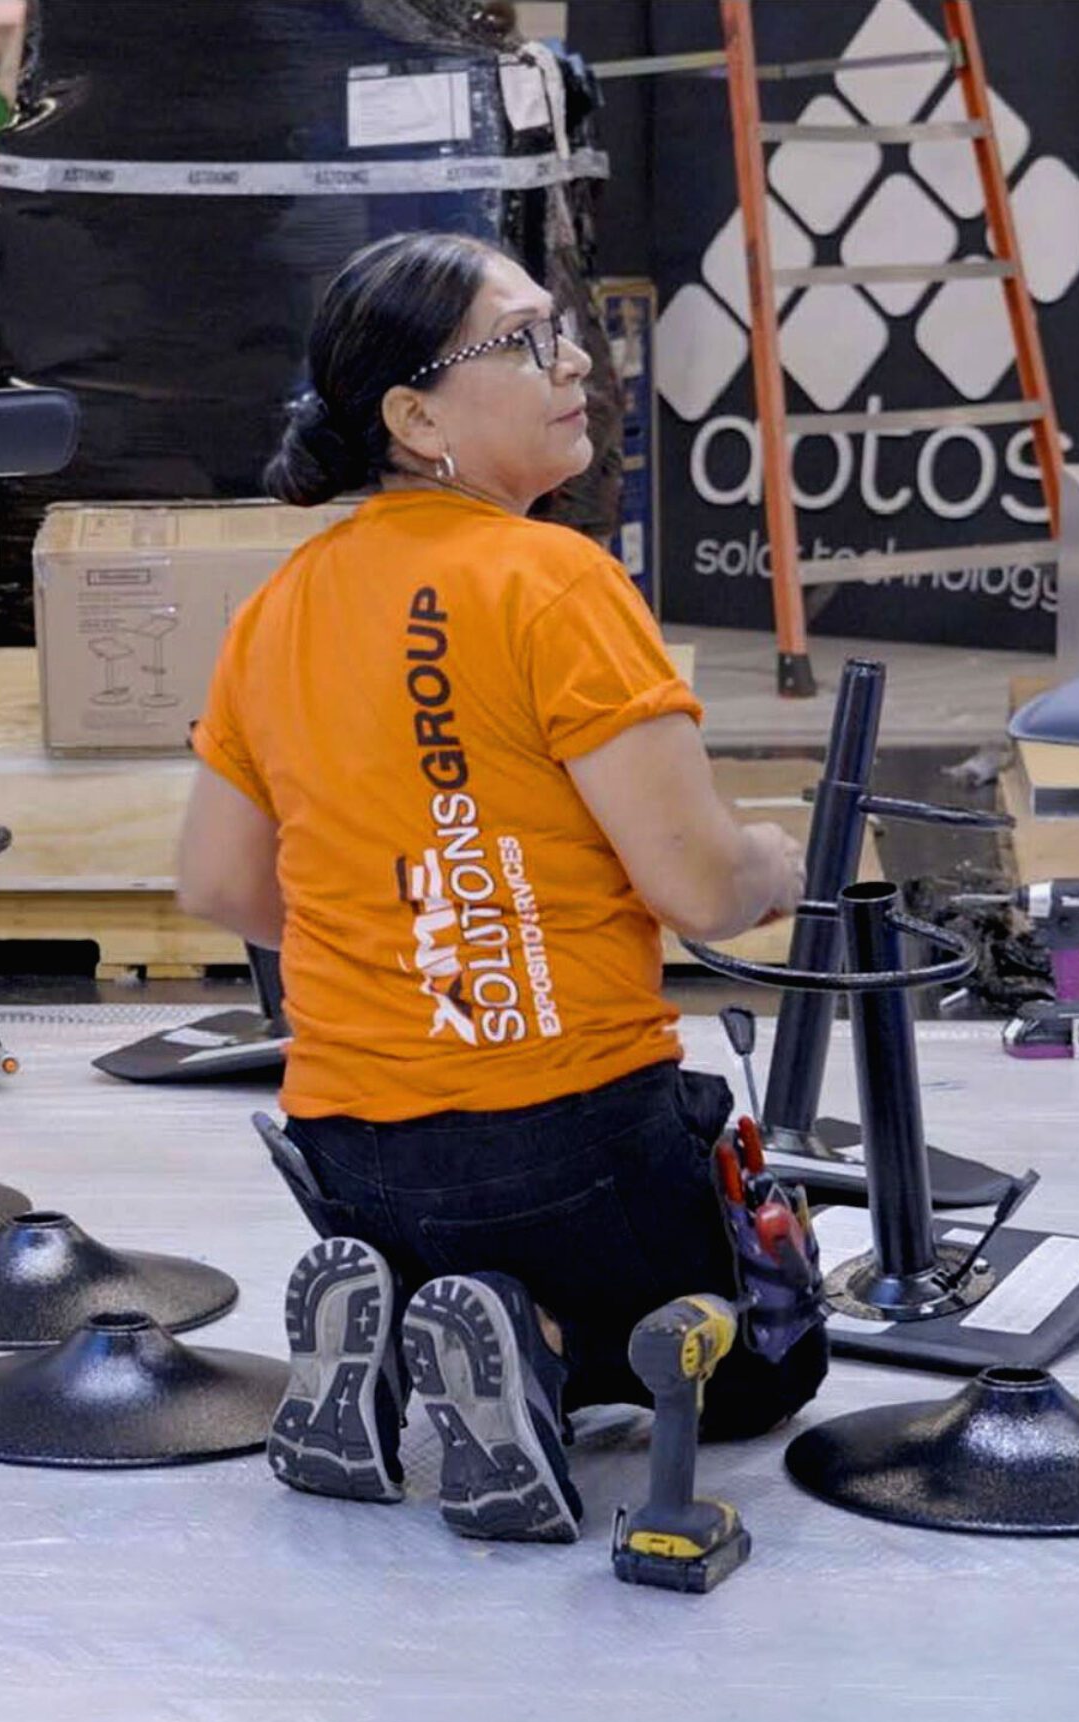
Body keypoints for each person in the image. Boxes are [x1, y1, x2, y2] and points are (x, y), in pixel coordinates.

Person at [177, 230, 823, 1547]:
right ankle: (528, 1340)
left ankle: (422, 1329)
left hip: (351, 1151)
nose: (572, 358)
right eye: (522, 341)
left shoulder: (280, 607)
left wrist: (415, 936)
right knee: (767, 1361)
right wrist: (781, 856)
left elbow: (217, 884)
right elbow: (698, 889)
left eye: (562, 327)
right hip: (573, 1142)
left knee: (460, 1241)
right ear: (415, 417)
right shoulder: (556, 582)